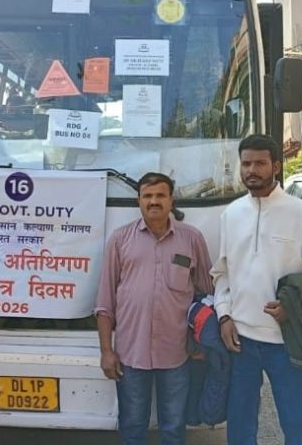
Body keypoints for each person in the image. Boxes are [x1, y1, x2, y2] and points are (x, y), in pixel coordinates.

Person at [211, 134, 302, 445]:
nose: (251, 170)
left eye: (260, 163)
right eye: (246, 164)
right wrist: (224, 316)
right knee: (240, 426)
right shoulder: (231, 214)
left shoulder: (301, 214)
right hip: (241, 341)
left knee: (295, 425)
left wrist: (292, 309)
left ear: (276, 167)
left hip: (287, 344)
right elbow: (222, 275)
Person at [95, 172, 213, 444]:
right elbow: (105, 302)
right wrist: (106, 351)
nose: (154, 201)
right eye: (147, 196)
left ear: (171, 200)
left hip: (177, 354)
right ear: (139, 200)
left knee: (173, 428)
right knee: (132, 427)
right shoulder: (120, 239)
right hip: (130, 354)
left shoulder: (192, 239)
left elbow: (207, 295)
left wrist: (203, 343)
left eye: (160, 195)